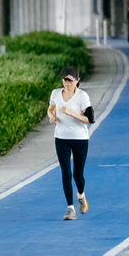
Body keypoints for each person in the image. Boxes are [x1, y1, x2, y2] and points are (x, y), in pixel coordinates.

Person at [48, 65, 94, 220]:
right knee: (66, 173)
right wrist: (51, 116)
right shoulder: (55, 93)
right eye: (65, 79)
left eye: (71, 80)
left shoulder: (82, 96)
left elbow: (89, 120)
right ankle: (70, 209)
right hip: (61, 138)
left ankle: (81, 194)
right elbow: (51, 108)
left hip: (80, 139)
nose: (68, 83)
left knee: (77, 175)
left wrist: (72, 113)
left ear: (77, 81)